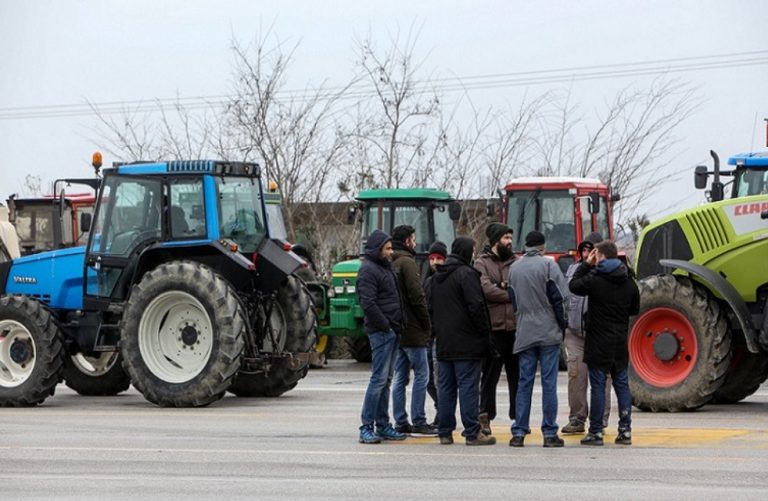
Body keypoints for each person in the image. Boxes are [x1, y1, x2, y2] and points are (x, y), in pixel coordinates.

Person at [569, 240, 640, 446]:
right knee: (622, 385)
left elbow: (574, 285)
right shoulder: (629, 281)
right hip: (619, 341)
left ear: (599, 256)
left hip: (598, 341)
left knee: (598, 387)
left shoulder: (595, 279)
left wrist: (586, 264)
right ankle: (625, 430)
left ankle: (596, 431)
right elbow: (634, 309)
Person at [430, 237, 496, 446]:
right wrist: (485, 333)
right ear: (466, 252)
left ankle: (445, 431)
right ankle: (472, 432)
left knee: (446, 388)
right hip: (467, 342)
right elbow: (476, 306)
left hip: (443, 342)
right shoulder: (466, 275)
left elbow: (429, 309)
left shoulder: (436, 278)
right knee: (468, 387)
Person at [507, 231, 568, 448]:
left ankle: (519, 432)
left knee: (524, 383)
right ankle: (549, 433)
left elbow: (513, 300)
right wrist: (562, 326)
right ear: (542, 247)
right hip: (548, 331)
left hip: (525, 331)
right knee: (549, 383)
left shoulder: (514, 268)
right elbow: (560, 298)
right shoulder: (549, 266)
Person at [357, 229, 408, 444]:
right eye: (387, 248)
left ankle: (383, 424)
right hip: (382, 332)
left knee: (385, 381)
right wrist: (385, 326)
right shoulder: (369, 270)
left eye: (391, 248)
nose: (391, 252)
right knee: (378, 380)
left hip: (392, 330)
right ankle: (366, 426)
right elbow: (368, 303)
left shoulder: (385, 268)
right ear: (377, 249)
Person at [562, 232, 611, 434]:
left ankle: (600, 421)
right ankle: (576, 418)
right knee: (576, 376)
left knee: (602, 380)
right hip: (575, 334)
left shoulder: (608, 272)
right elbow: (566, 295)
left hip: (599, 335)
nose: (586, 254)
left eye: (591, 250)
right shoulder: (573, 271)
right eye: (583, 250)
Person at [390, 225, 437, 435]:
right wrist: (426, 322)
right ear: (407, 241)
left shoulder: (390, 262)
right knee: (422, 375)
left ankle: (400, 420)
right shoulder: (408, 263)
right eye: (414, 239)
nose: (415, 243)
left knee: (400, 376)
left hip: (397, 329)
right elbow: (417, 296)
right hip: (413, 328)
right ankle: (419, 419)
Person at [475, 222, 518, 436]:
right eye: (506, 238)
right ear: (495, 241)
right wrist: (509, 293)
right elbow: (486, 291)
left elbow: (521, 288)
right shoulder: (481, 263)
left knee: (516, 375)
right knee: (489, 376)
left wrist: (501, 288)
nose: (509, 242)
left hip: (515, 329)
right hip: (493, 329)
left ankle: (518, 418)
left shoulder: (516, 262)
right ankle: (485, 416)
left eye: (510, 238)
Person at [424, 240, 447, 426]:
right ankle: (441, 407)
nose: (435, 262)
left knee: (439, 378)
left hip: (441, 334)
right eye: (432, 259)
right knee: (427, 379)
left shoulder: (447, 281)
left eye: (439, 258)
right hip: (428, 335)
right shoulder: (427, 282)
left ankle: (443, 413)